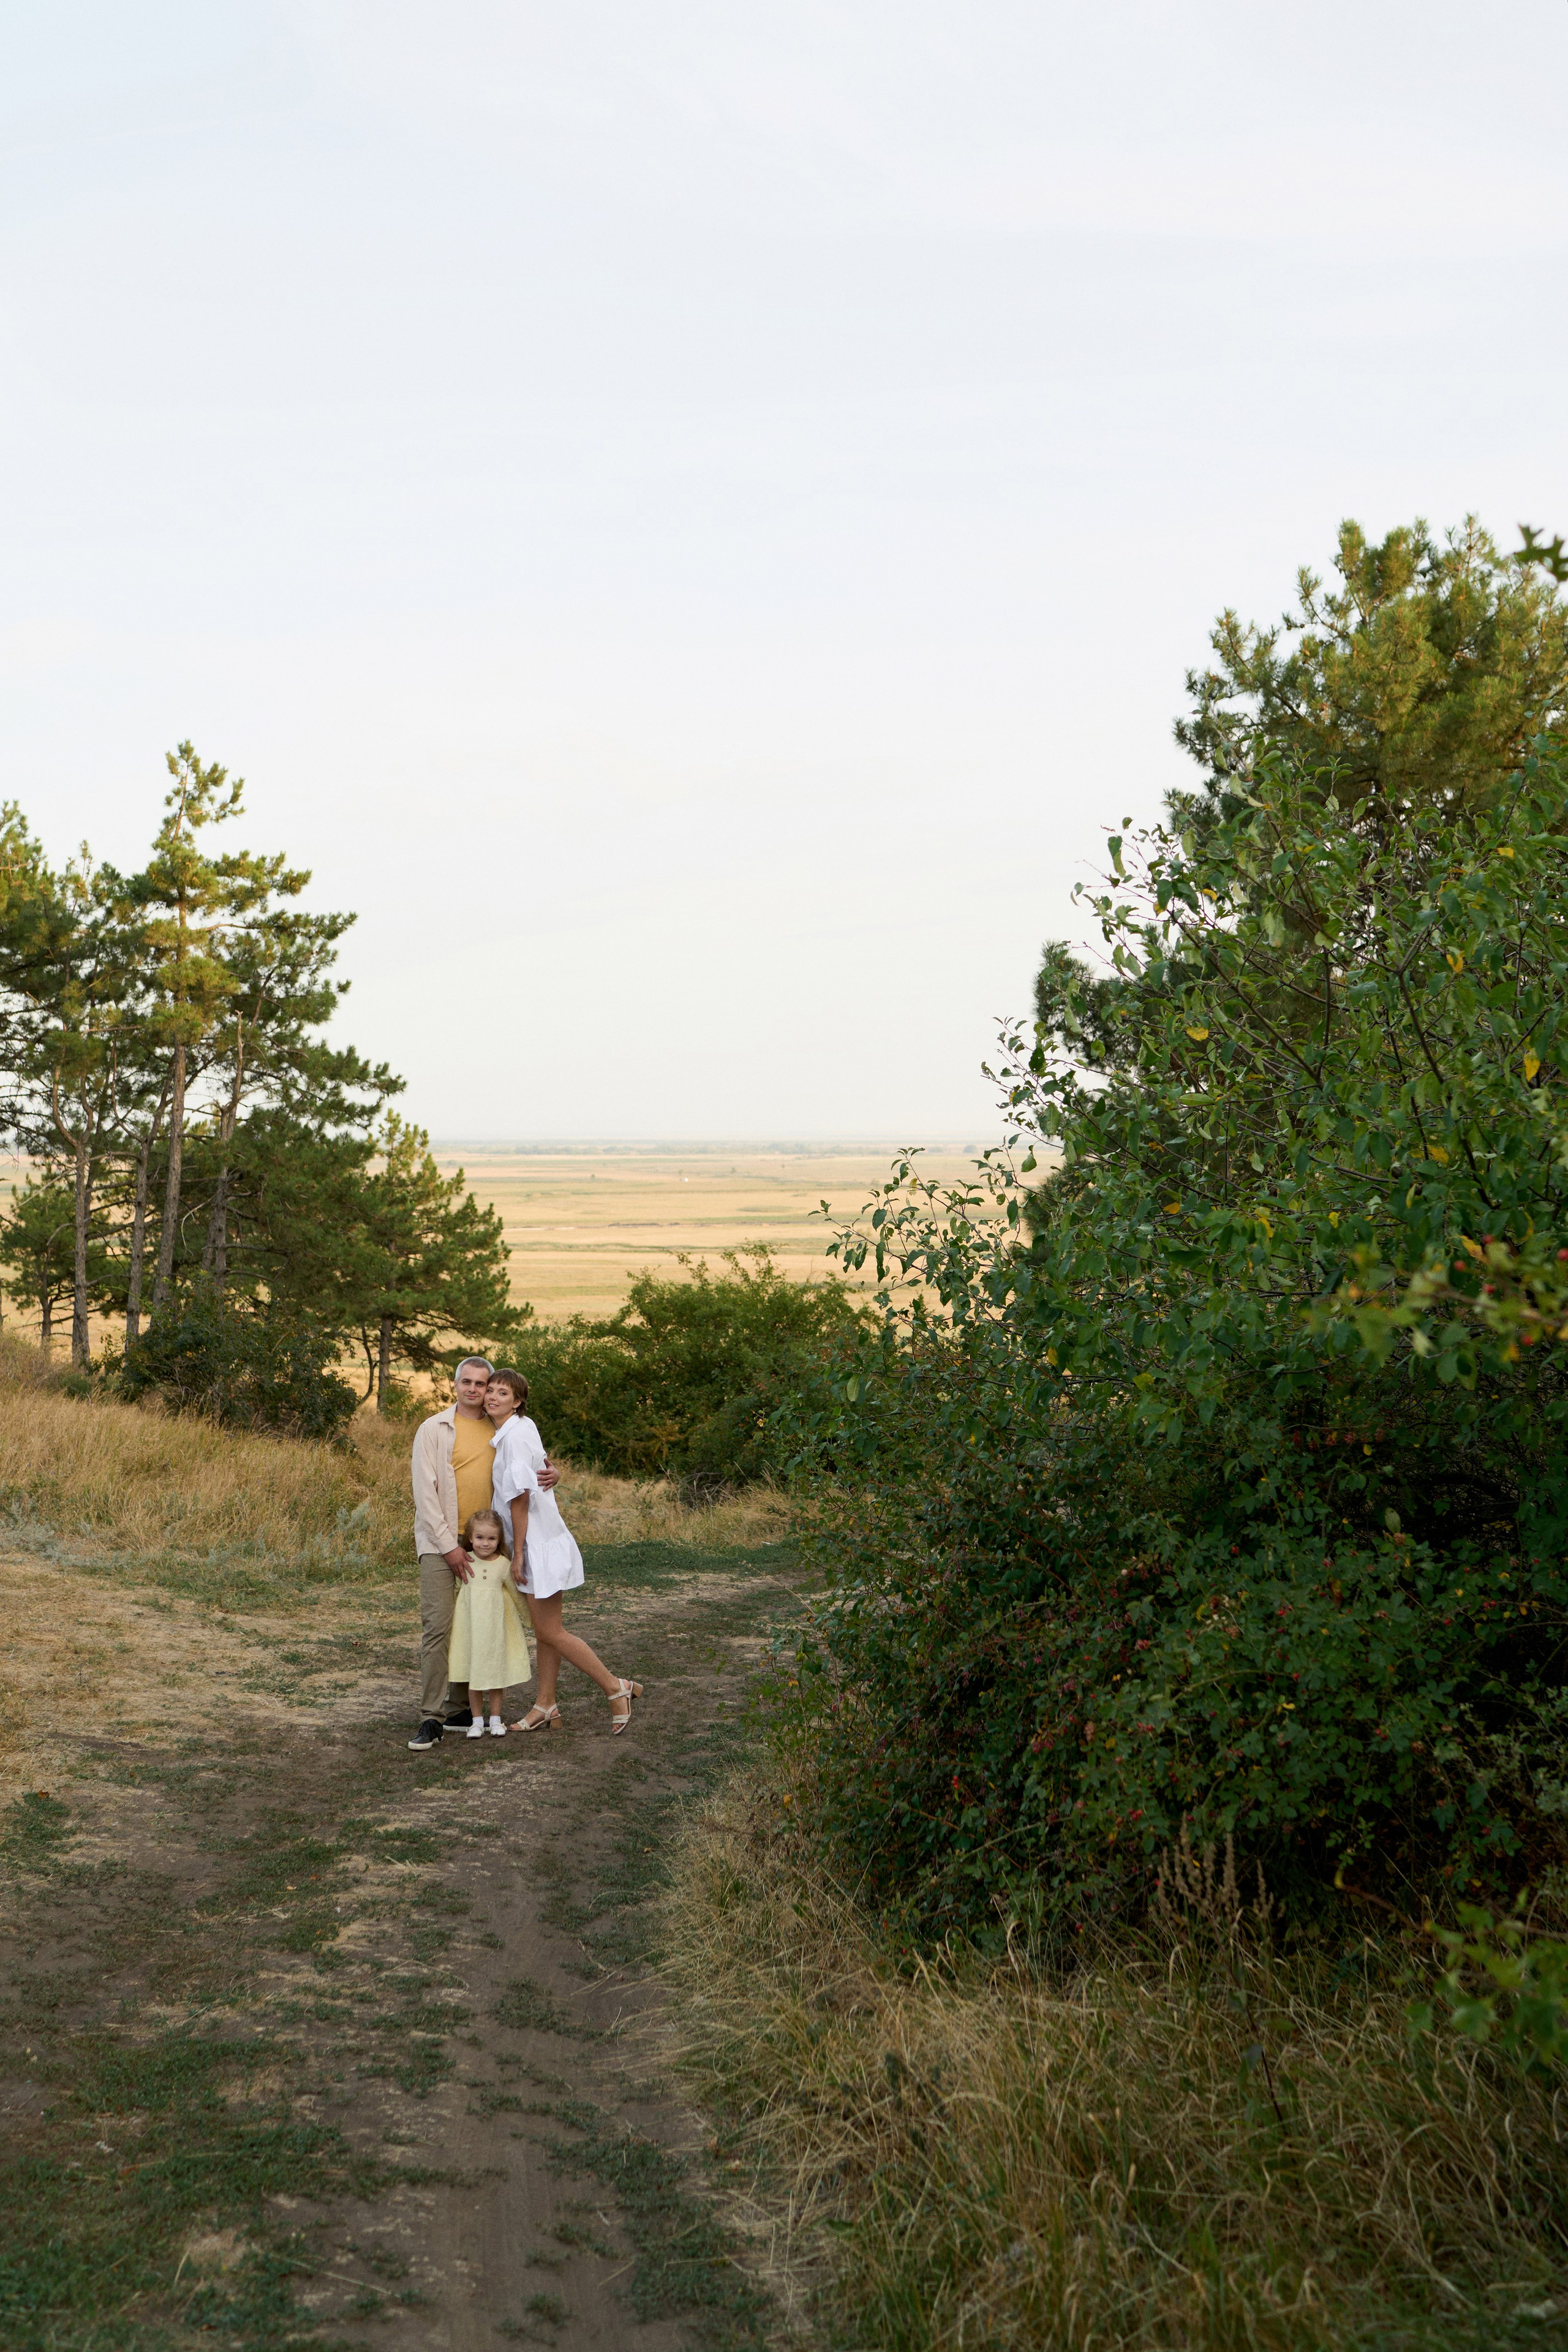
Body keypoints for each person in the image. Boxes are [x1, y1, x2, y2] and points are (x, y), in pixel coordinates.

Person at [407, 1355, 560, 1752]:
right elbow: (425, 1497)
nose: (475, 1390)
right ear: (455, 1385)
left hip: (489, 1544)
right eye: (468, 1383)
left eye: (483, 1384)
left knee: (478, 1621)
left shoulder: (503, 1428)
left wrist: (553, 1473)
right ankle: (432, 1717)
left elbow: (530, 1466)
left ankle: (463, 1709)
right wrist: (450, 1549)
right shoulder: (434, 1429)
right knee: (439, 1626)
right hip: (441, 1541)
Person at [483, 1367, 643, 1735]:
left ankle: (614, 1687)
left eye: (502, 1393)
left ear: (518, 1401)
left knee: (551, 1632)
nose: (492, 1397)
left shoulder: (516, 1437)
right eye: (490, 1390)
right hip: (540, 1540)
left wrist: (518, 1553)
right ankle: (546, 1704)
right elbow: (539, 1474)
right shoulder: (520, 1428)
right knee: (546, 1630)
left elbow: (521, 1497)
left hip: (537, 1545)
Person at [448, 1509, 533, 1738]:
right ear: (470, 1538)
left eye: (492, 1539)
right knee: (473, 1672)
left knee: (495, 1673)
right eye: (479, 1538)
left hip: (495, 1629)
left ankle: (495, 1720)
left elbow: (517, 1596)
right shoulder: (465, 1561)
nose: (485, 1544)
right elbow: (456, 1593)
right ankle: (476, 1721)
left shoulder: (504, 1565)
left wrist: (530, 1620)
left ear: (499, 1539)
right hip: (471, 1628)